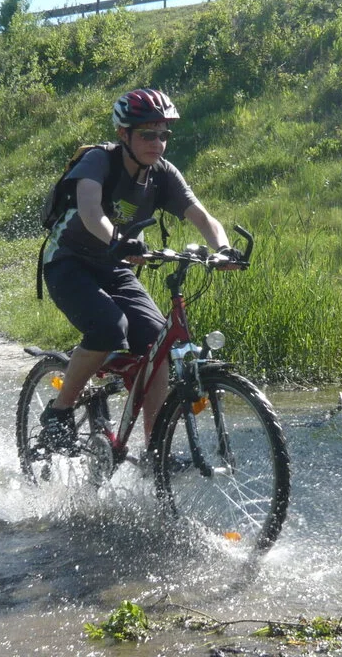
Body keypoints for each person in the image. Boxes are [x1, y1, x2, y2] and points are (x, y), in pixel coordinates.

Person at [39, 88, 243, 443]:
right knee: (109, 327)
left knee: (156, 343)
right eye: (148, 134)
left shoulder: (163, 174)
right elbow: (90, 211)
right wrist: (117, 239)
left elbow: (202, 217)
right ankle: (58, 412)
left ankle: (155, 448)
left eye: (164, 135)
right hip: (68, 262)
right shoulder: (100, 161)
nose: (158, 143)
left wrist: (224, 249)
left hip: (114, 266)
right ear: (124, 134)